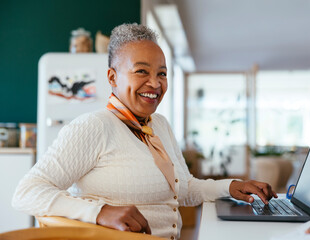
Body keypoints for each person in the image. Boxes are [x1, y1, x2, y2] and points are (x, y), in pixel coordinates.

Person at [12, 23, 277, 240]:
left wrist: (231, 186)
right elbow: (26, 192)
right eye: (142, 71)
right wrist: (100, 212)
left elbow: (182, 190)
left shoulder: (158, 124)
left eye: (162, 74)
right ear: (112, 77)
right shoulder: (93, 126)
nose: (155, 83)